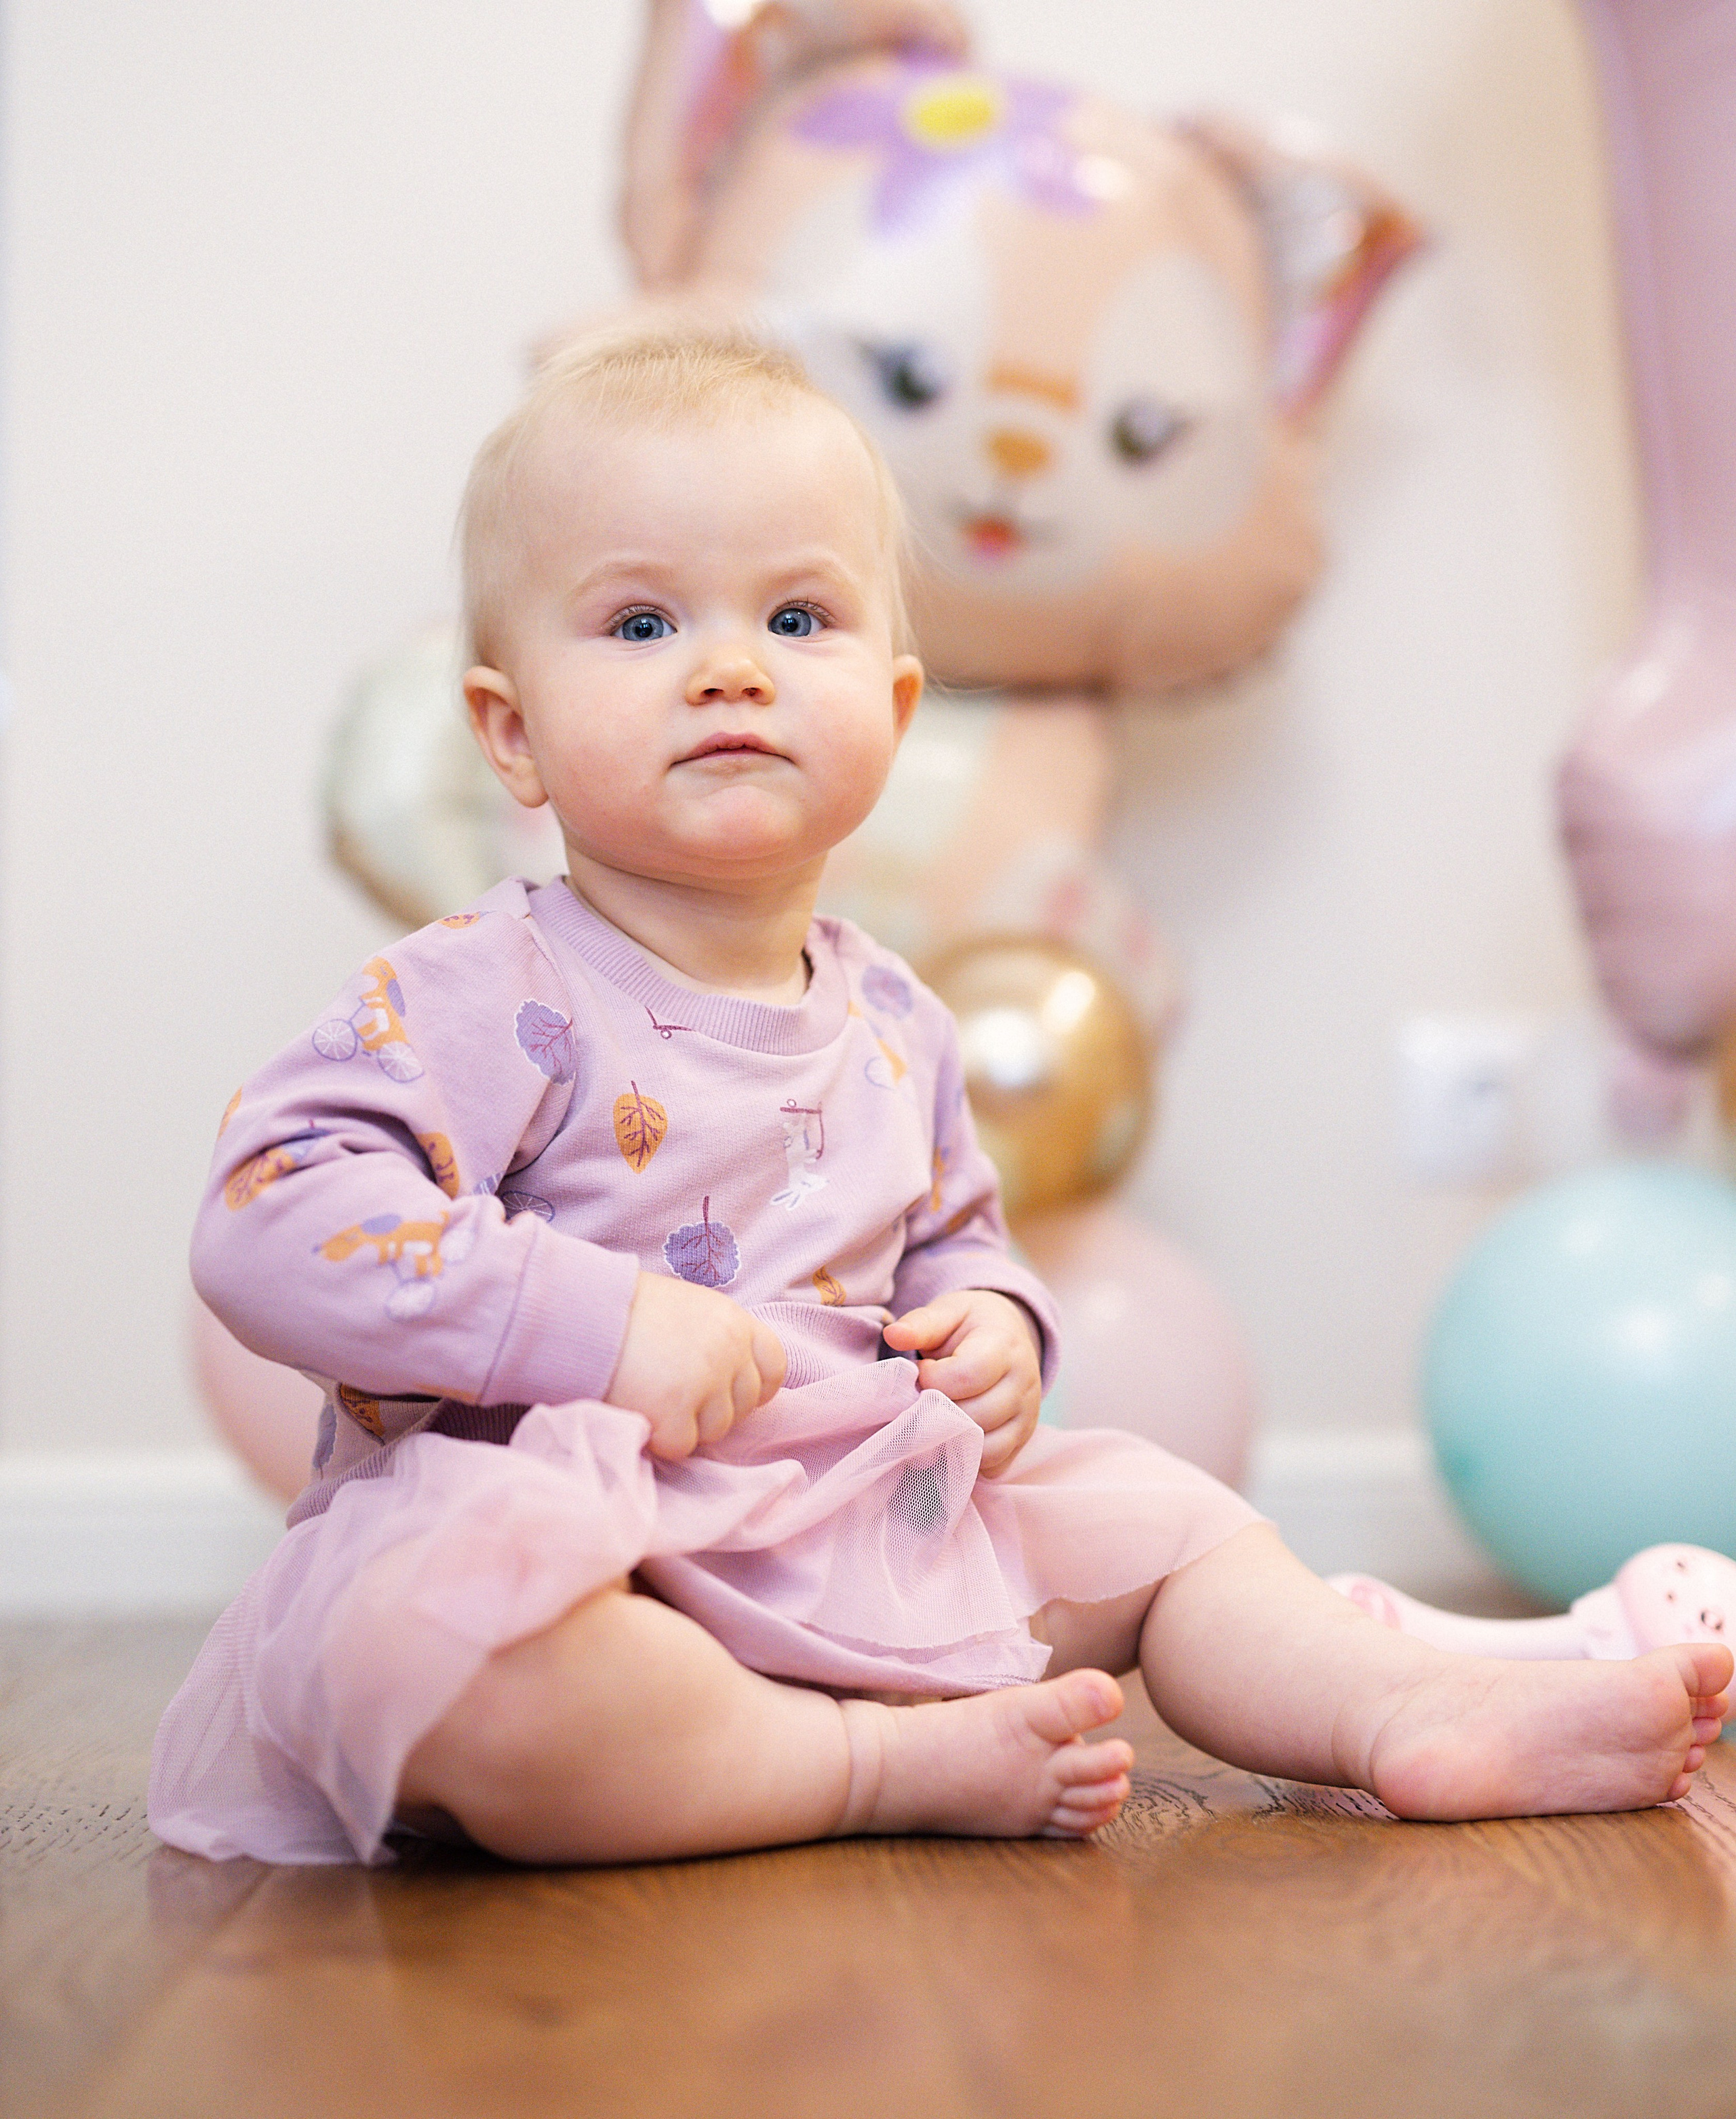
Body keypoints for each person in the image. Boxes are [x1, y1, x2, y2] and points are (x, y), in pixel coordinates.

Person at [151, 329, 1731, 1867]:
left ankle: (1397, 1707)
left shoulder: (896, 1015)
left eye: (796, 616)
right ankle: (860, 1768)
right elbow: (270, 1212)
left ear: (893, 713)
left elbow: (955, 1240)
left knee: (1168, 1519)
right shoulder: (483, 987)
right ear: (511, 732)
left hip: (862, 1527)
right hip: (597, 1554)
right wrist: (598, 1324)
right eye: (639, 623)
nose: (727, 667)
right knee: (463, 1664)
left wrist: (994, 1327)